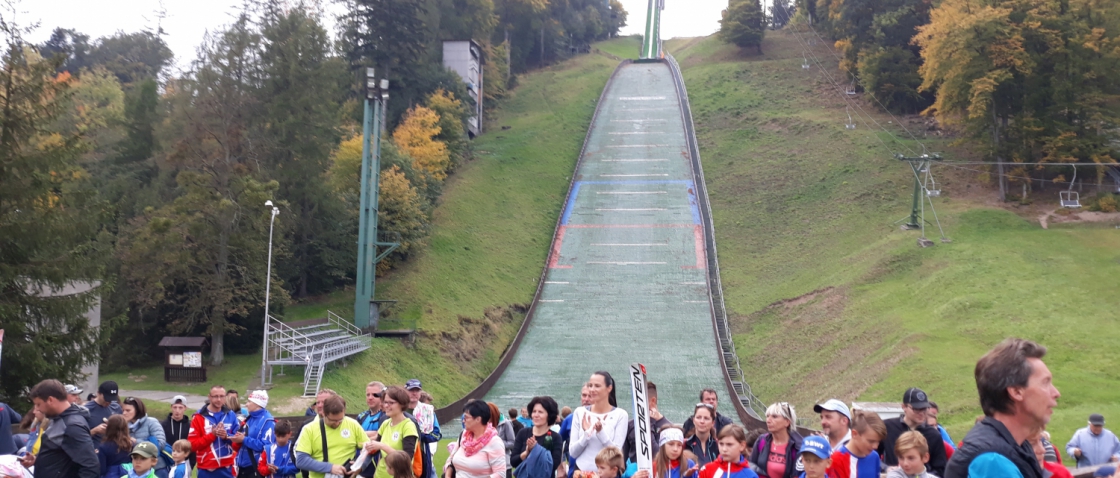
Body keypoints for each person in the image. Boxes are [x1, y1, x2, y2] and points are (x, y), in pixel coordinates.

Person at [944, 338, 1057, 478]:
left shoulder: (1015, 446)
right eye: (1045, 383)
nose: (1056, 393)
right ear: (1016, 391)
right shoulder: (992, 461)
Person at [24, 379, 99, 478]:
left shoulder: (72, 426)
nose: (37, 409)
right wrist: (37, 459)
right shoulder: (57, 419)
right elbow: (61, 454)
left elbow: (91, 467)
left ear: (50, 400)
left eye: (38, 404)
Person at [876, 388, 946, 477]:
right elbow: (870, 454)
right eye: (916, 409)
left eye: (924, 409)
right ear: (904, 407)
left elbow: (940, 469)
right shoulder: (887, 426)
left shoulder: (934, 434)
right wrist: (886, 468)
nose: (921, 413)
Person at [294, 395, 368, 478]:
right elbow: (301, 460)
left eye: (340, 420)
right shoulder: (309, 429)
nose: (337, 423)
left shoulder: (353, 424)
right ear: (324, 413)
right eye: (333, 420)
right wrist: (330, 468)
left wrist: (361, 465)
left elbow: (369, 449)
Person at [570, 372, 629, 476]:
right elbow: (573, 452)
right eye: (590, 385)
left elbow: (616, 454)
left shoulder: (620, 415)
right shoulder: (579, 412)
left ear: (609, 388)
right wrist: (587, 434)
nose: (592, 389)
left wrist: (600, 432)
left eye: (597, 386)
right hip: (582, 473)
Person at [188, 385, 242, 478]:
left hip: (227, 468)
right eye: (215, 396)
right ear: (209, 397)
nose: (219, 399)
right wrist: (211, 435)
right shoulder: (198, 417)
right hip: (206, 469)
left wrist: (226, 437)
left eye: (222, 396)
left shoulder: (231, 415)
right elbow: (192, 446)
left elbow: (239, 442)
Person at [443, 400, 506, 478]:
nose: (463, 420)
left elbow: (500, 474)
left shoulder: (494, 442)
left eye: (466, 417)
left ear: (478, 419)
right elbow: (451, 460)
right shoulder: (464, 435)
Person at [369, 387, 420, 478]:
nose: (386, 406)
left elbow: (407, 458)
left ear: (402, 404)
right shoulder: (385, 423)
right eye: (385, 402)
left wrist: (382, 446)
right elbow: (376, 450)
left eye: (391, 403)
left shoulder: (408, 426)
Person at [511, 396, 563, 478]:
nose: (536, 415)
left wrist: (536, 449)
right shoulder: (523, 433)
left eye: (540, 412)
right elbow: (513, 462)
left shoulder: (555, 437)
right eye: (534, 411)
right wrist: (527, 452)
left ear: (549, 415)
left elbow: (553, 465)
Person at [748, 402, 802, 478]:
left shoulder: (797, 447)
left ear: (787, 422)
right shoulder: (761, 441)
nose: (768, 420)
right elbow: (751, 465)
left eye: (774, 416)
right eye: (767, 416)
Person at [827, 411, 884, 478]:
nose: (876, 446)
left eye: (878, 442)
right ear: (854, 434)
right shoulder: (836, 459)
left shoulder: (874, 457)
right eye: (871, 441)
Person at [122, 396, 169, 477]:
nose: (124, 413)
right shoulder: (123, 425)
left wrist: (135, 442)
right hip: (136, 470)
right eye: (123, 410)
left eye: (128, 410)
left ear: (137, 411)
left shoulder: (151, 422)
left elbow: (160, 443)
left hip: (157, 469)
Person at [406, 380, 442, 478]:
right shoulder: (398, 409)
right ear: (405, 391)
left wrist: (420, 435)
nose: (414, 393)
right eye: (411, 390)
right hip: (402, 454)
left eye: (417, 390)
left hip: (422, 454)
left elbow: (437, 434)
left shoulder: (428, 411)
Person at [236, 390, 276, 478]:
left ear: (257, 404)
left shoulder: (268, 421)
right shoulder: (249, 418)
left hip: (255, 468)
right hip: (242, 467)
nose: (246, 404)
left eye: (249, 401)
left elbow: (267, 446)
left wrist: (244, 439)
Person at [562, 383, 593, 477]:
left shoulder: (605, 417)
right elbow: (558, 441)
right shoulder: (570, 418)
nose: (586, 399)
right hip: (574, 473)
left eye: (590, 396)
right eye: (584, 395)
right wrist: (560, 466)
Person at [162, 396, 194, 468]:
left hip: (185, 463)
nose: (177, 410)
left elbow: (193, 446)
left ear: (185, 408)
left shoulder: (191, 426)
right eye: (175, 407)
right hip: (167, 462)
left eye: (180, 407)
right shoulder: (163, 425)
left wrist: (191, 464)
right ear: (171, 407)